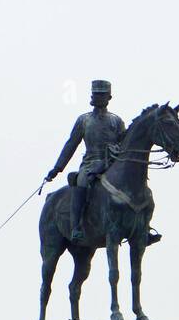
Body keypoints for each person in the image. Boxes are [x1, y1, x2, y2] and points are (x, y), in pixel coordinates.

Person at [44, 79, 126, 242]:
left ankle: (141, 227)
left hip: (111, 164)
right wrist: (57, 168)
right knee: (81, 183)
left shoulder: (116, 121)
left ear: (108, 97)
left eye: (101, 95)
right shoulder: (84, 120)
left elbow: (123, 144)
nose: (96, 97)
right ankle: (76, 226)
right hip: (90, 164)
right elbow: (71, 145)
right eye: (95, 94)